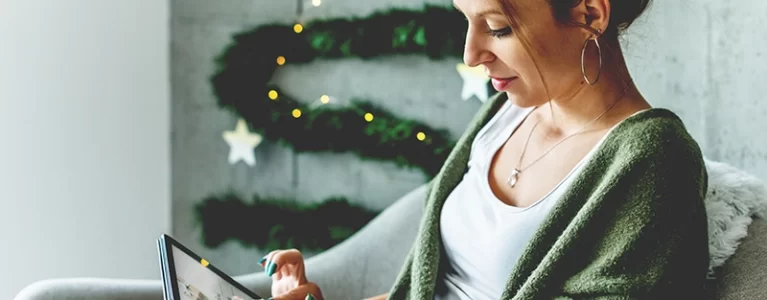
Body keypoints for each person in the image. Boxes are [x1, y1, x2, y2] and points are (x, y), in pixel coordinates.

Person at [255, 0, 711, 299]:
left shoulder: (654, 159)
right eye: (465, 20)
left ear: (589, 13)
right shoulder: (506, 113)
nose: (471, 54)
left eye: (498, 28)